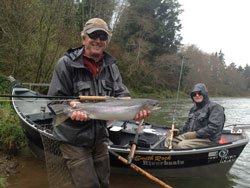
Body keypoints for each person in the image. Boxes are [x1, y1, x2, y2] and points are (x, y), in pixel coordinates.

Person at [48, 18, 150, 188]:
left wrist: (135, 111)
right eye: (93, 35)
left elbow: (122, 95)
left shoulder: (112, 68)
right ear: (83, 38)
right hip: (73, 138)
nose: (98, 40)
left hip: (100, 137)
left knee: (104, 183)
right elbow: (55, 100)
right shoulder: (66, 64)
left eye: (103, 37)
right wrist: (71, 110)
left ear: (107, 41)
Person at [165, 83, 225, 149]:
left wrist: (195, 134)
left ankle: (178, 157)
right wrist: (178, 131)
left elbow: (213, 128)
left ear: (204, 94)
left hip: (208, 140)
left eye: (199, 93)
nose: (197, 95)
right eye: (194, 94)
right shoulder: (193, 109)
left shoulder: (215, 107)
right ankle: (170, 157)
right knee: (168, 140)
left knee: (182, 145)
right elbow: (187, 126)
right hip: (192, 137)